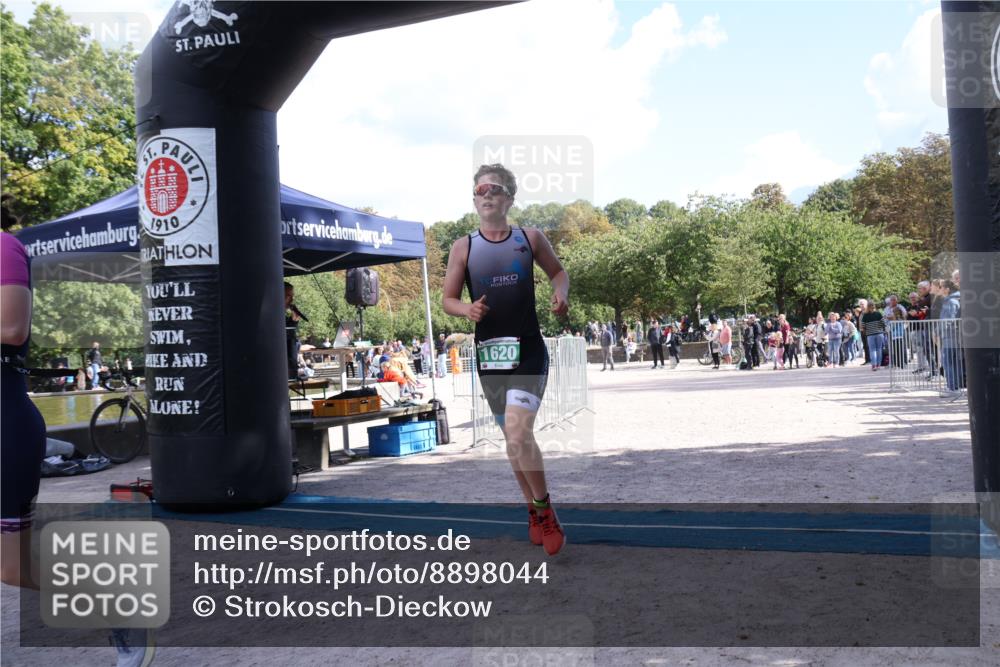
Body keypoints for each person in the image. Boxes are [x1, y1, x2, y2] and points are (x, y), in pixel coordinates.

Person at [443, 163, 568, 556]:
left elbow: (558, 273)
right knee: (513, 443)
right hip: (489, 356)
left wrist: (561, 294)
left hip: (528, 350)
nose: (485, 195)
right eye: (479, 190)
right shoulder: (463, 246)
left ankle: (545, 510)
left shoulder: (529, 238)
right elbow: (447, 299)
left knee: (517, 433)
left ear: (509, 198)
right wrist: (467, 311)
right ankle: (532, 508)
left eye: (493, 189)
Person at [938, 280, 964, 399]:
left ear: (947, 289)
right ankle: (955, 387)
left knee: (949, 361)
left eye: (941, 287)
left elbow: (949, 319)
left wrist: (938, 332)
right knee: (953, 361)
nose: (940, 289)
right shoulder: (955, 300)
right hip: (953, 335)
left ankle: (953, 388)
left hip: (950, 335)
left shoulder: (951, 301)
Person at [284, 282, 303, 380]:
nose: (292, 300)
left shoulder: (284, 317)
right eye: (288, 296)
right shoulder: (272, 314)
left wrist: (293, 322)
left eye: (292, 296)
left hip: (289, 369)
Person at [861, 301, 886, 370]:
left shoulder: (865, 315)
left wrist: (867, 330)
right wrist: (879, 328)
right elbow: (883, 323)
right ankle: (878, 365)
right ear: (874, 306)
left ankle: (873, 365)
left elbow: (863, 326)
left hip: (870, 335)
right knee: (879, 349)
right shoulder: (878, 314)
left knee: (872, 350)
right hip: (879, 333)